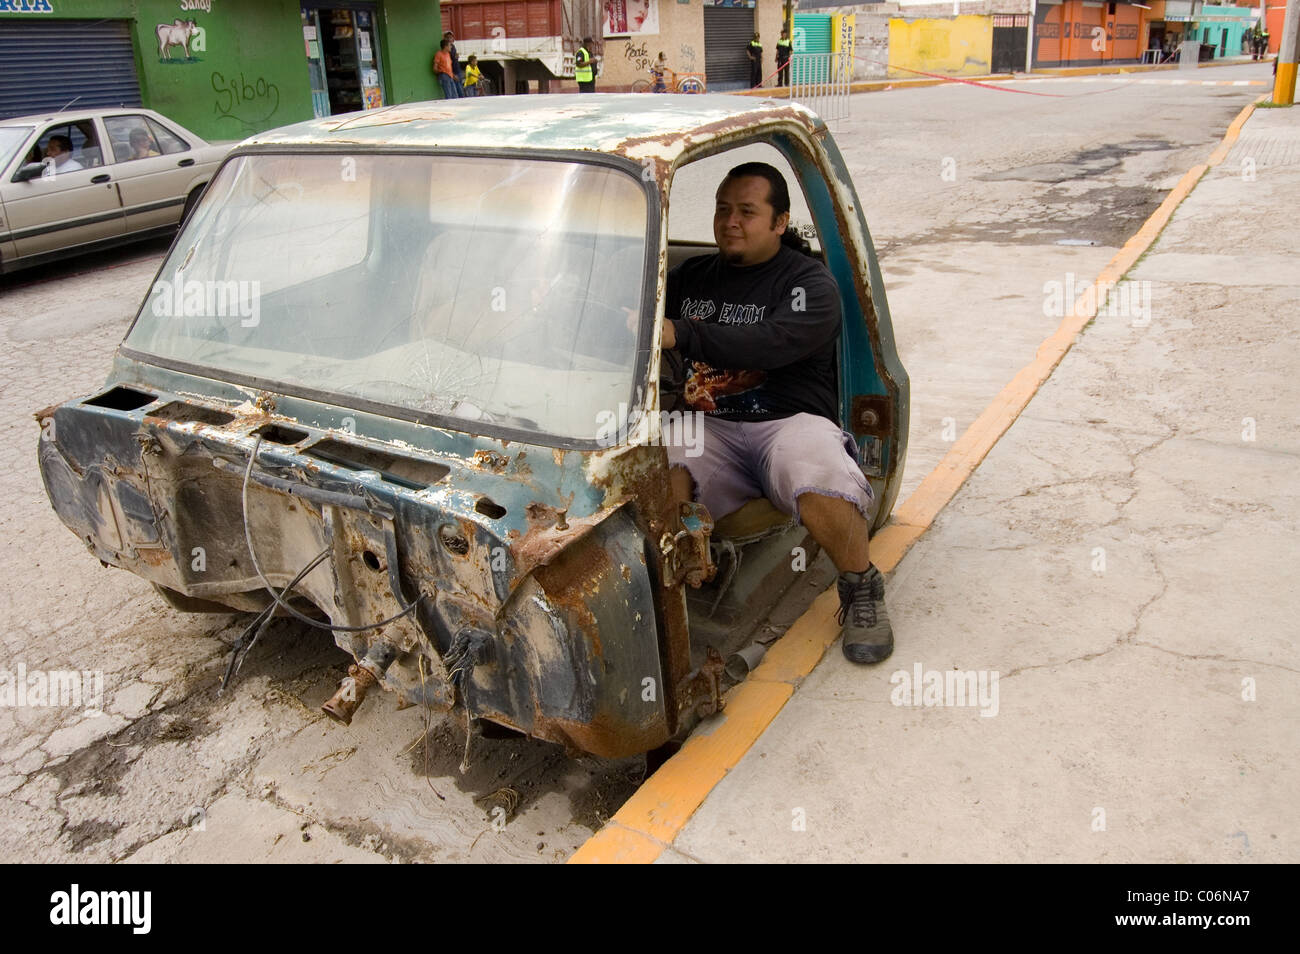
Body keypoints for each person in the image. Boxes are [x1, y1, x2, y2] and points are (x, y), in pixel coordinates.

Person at [660, 162, 894, 664]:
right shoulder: (692, 277)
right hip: (709, 424)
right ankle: (673, 589)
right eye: (723, 210)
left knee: (815, 468)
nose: (731, 222)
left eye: (747, 211)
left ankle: (860, 586)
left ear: (780, 222)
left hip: (787, 421)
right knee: (655, 461)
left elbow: (768, 344)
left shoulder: (809, 284)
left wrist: (683, 332)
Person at [444, 31, 464, 95]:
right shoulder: (446, 50)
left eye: (451, 37)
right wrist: (452, 74)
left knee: (460, 88)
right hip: (453, 72)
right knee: (456, 90)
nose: (449, 39)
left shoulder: (453, 46)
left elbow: (454, 58)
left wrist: (456, 57)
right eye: (447, 37)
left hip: (457, 69)